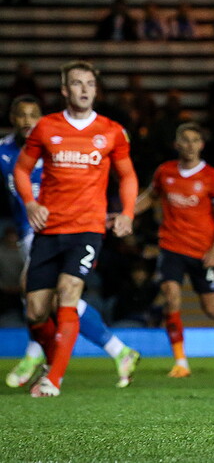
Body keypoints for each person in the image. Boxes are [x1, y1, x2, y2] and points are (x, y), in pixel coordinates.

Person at [13, 62, 139, 397]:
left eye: (89, 84)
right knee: (36, 311)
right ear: (65, 90)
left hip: (87, 228)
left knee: (69, 292)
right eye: (77, 84)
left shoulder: (111, 131)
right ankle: (52, 361)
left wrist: (127, 212)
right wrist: (31, 203)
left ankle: (53, 379)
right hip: (49, 228)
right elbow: (22, 169)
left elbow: (127, 175)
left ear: (96, 90)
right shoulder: (46, 127)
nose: (84, 89)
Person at [134, 122, 214, 377]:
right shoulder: (164, 172)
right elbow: (150, 196)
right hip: (171, 247)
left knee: (213, 311)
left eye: (195, 140)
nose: (190, 145)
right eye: (185, 140)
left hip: (201, 251)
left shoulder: (212, 177)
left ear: (202, 145)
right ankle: (181, 361)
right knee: (171, 297)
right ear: (177, 144)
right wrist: (128, 213)